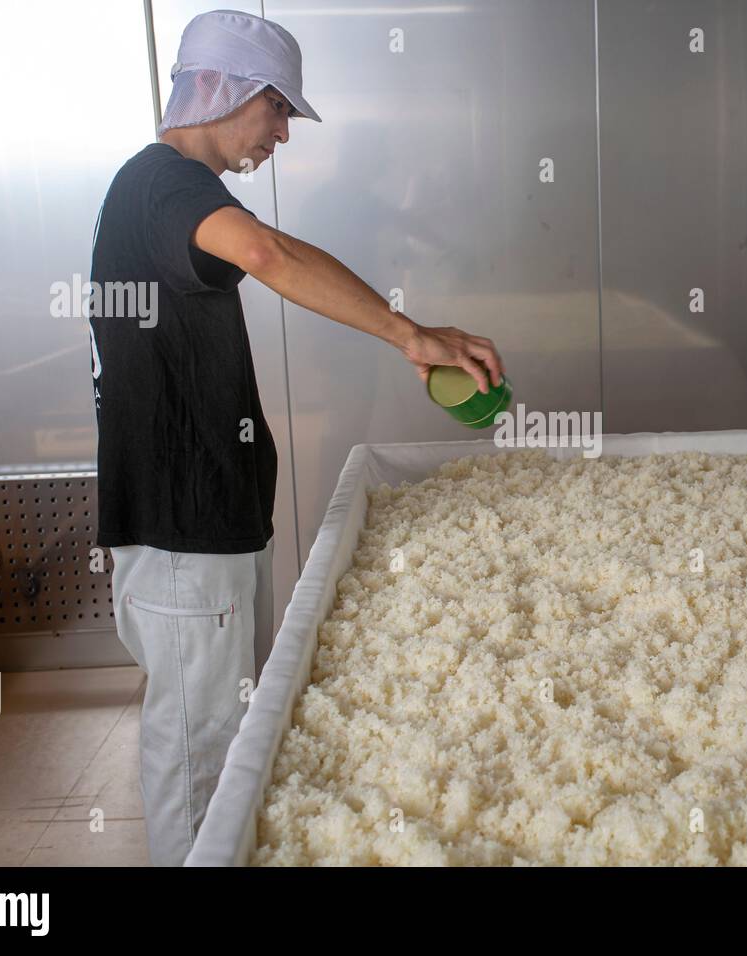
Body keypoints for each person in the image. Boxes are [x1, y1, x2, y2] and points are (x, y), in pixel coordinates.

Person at [87, 9, 503, 866]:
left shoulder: (163, 190)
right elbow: (269, 255)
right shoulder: (165, 184)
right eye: (276, 106)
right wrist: (411, 336)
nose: (283, 129)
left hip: (203, 528)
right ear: (222, 88)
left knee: (224, 735)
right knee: (203, 757)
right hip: (183, 530)